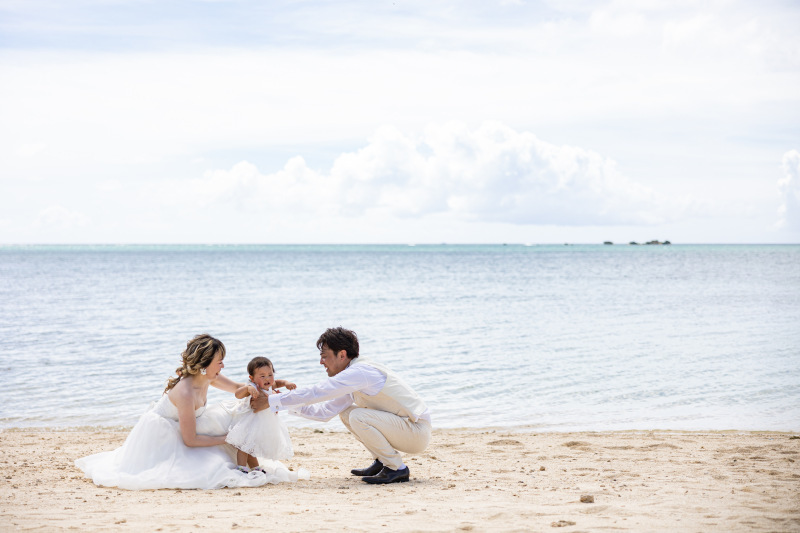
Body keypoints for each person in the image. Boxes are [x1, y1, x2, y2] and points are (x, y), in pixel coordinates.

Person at [75, 334, 306, 490]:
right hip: (167, 435)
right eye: (220, 361)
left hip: (191, 426)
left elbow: (239, 389)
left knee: (233, 415)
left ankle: (248, 460)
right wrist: (229, 438)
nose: (223, 365)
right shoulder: (185, 391)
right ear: (205, 364)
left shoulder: (209, 377)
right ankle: (242, 458)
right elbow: (190, 439)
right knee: (216, 452)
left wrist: (261, 391)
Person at [252, 327, 431, 484]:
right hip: (406, 428)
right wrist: (280, 402)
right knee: (346, 412)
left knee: (357, 416)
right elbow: (324, 412)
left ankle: (397, 468)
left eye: (325, 356)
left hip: (416, 431)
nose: (321, 362)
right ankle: (382, 460)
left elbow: (318, 391)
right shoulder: (353, 376)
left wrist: (270, 402)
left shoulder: (359, 372)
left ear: (342, 354)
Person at [226, 356, 295, 472]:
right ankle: (241, 467)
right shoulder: (253, 386)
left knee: (251, 447)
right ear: (252, 378)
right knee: (244, 445)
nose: (267, 378)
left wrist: (287, 383)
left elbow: (278, 382)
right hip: (251, 421)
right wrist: (247, 389)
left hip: (265, 423)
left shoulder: (270, 385)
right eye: (262, 376)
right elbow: (237, 394)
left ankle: (255, 468)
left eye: (270, 374)